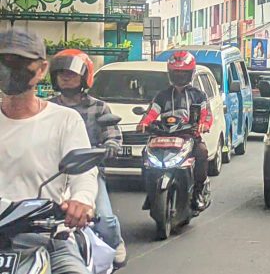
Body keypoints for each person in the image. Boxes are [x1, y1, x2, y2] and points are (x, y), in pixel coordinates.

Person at [0, 29, 96, 274]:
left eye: (21, 63)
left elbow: (84, 174)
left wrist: (81, 201)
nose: (11, 70)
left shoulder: (65, 120)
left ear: (41, 69)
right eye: (4, 62)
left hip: (45, 235)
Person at [48, 49, 128, 269]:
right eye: (61, 73)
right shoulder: (48, 108)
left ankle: (114, 245)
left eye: (71, 74)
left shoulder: (99, 107)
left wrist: (109, 148)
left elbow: (113, 136)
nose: (65, 77)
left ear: (84, 78)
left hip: (88, 171)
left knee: (106, 221)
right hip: (53, 174)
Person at [137, 51, 213, 212]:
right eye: (176, 72)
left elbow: (207, 116)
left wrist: (203, 125)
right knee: (145, 155)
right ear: (170, 73)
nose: (179, 76)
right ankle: (151, 192)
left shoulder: (198, 96)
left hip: (189, 137)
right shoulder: (162, 95)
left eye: (183, 73)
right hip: (163, 137)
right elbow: (151, 113)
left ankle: (198, 190)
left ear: (190, 74)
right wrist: (144, 123)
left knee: (202, 152)